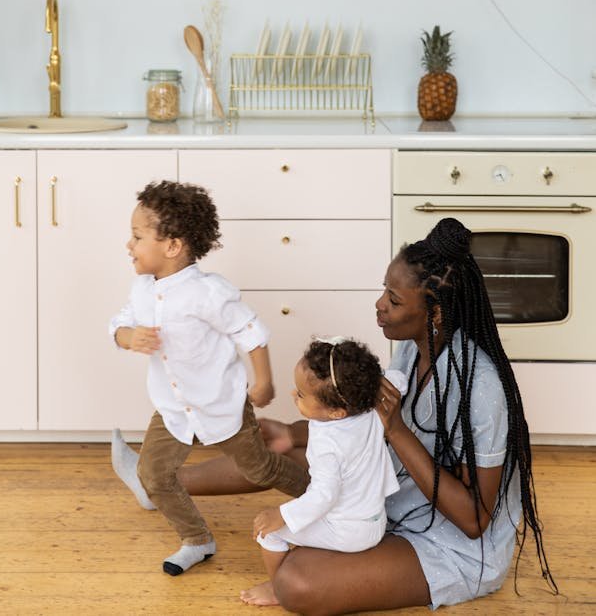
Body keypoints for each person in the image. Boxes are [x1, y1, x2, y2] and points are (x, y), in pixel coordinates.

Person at [178, 217, 558, 614]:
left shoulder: (479, 388)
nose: (379, 305)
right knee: (282, 452)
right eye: (384, 290)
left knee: (296, 582)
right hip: (390, 499)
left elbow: (475, 519)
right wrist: (295, 433)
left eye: (394, 300)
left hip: (451, 545)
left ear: (436, 314)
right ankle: (165, 483)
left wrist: (396, 431)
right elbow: (357, 421)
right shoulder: (414, 348)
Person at [108, 179, 309, 577]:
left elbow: (251, 332)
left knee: (260, 470)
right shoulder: (141, 290)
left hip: (222, 404)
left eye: (136, 236)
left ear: (172, 246)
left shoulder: (208, 293)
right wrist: (128, 336)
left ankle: (324, 497)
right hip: (173, 408)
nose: (128, 245)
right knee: (153, 476)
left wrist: (263, 382)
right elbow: (119, 324)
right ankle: (197, 540)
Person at [243, 338, 408, 607]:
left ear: (335, 412)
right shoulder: (370, 407)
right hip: (377, 521)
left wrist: (280, 515)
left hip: (347, 532)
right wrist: (364, 380)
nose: (292, 395)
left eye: (300, 395)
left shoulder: (326, 444)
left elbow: (324, 496)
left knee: (268, 532)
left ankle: (277, 589)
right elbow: (398, 379)